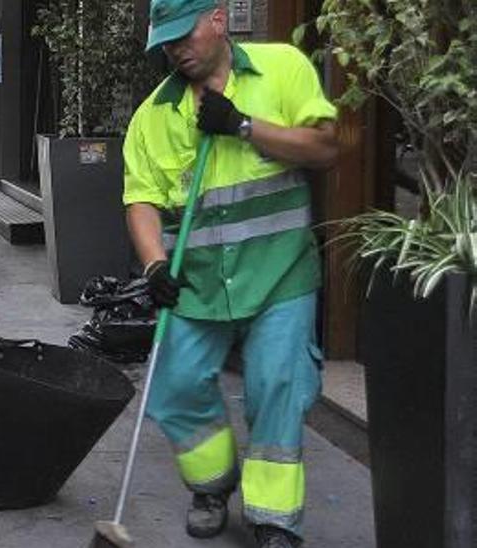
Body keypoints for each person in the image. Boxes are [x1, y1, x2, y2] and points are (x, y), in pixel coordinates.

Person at [122, 1, 340, 547]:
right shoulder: (154, 115)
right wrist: (153, 264)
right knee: (174, 388)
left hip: (279, 273)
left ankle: (274, 520)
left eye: (184, 34)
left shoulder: (283, 68)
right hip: (196, 280)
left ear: (218, 19)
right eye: (166, 41)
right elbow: (141, 200)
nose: (176, 49)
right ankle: (213, 483)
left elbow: (325, 147)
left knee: (276, 384)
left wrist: (242, 125)